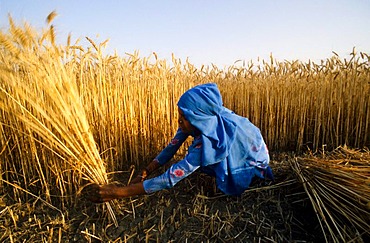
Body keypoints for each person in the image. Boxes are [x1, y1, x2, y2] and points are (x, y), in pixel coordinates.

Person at [84, 83, 273, 203]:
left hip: (254, 160)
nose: (179, 122)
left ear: (199, 119)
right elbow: (171, 147)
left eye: (183, 117)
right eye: (179, 116)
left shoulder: (206, 143)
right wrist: (147, 170)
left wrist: (118, 193)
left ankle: (245, 175)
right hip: (243, 148)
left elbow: (169, 179)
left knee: (217, 167)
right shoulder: (201, 118)